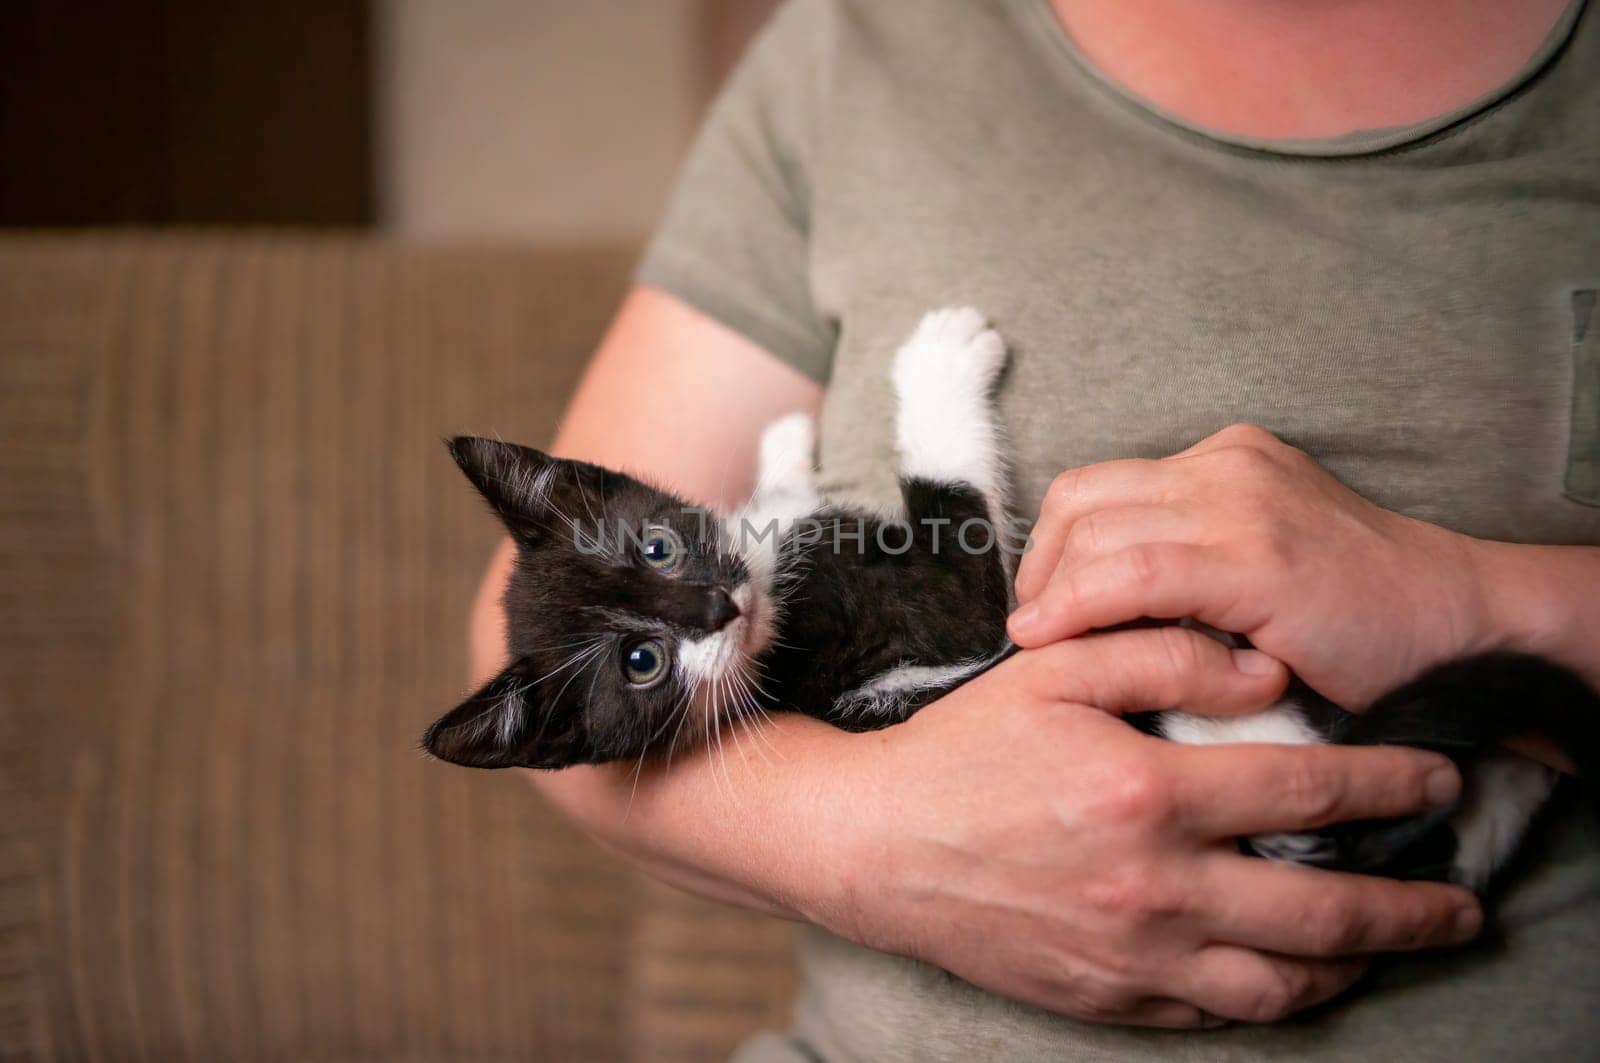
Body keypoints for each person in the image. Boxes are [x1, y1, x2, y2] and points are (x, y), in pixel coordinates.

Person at [470, 1, 1600, 1056]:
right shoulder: (855, 47)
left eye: (665, 556)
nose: (706, 600)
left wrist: (1484, 605)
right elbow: (512, 648)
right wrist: (869, 844)